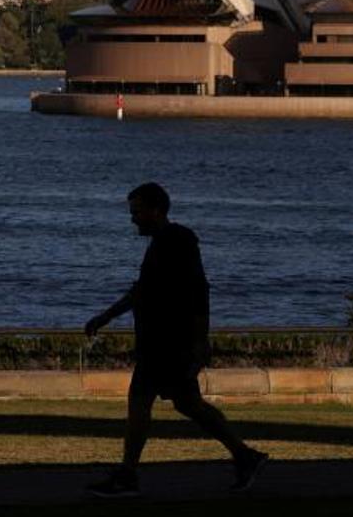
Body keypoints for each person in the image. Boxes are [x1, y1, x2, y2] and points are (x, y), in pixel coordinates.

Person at [83, 183, 268, 498]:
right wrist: (106, 316)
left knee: (148, 403)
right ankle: (243, 455)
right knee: (184, 404)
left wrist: (200, 341)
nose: (133, 219)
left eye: (137, 212)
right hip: (160, 343)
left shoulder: (178, 241)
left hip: (169, 344)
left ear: (155, 209)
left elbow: (199, 291)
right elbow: (141, 291)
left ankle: (129, 474)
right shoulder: (160, 245)